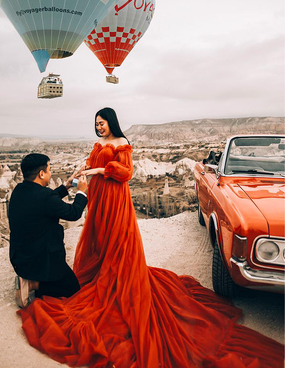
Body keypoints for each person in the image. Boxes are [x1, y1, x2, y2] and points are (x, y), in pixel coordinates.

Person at [18, 107, 285, 367]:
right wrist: (84, 169)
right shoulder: (99, 143)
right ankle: (101, 271)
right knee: (99, 238)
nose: (99, 126)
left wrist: (99, 171)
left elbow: (126, 173)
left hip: (114, 197)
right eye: (96, 122)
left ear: (112, 121)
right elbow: (92, 163)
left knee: (116, 239)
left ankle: (114, 274)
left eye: (102, 122)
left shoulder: (122, 142)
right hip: (98, 196)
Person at [8, 153, 88, 304]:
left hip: (21, 258)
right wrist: (81, 192)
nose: (51, 173)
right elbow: (73, 213)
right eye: (49, 169)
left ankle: (33, 280)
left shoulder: (19, 190)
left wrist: (67, 186)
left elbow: (44, 200)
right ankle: (32, 284)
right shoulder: (45, 197)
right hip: (43, 260)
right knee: (72, 290)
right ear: (41, 173)